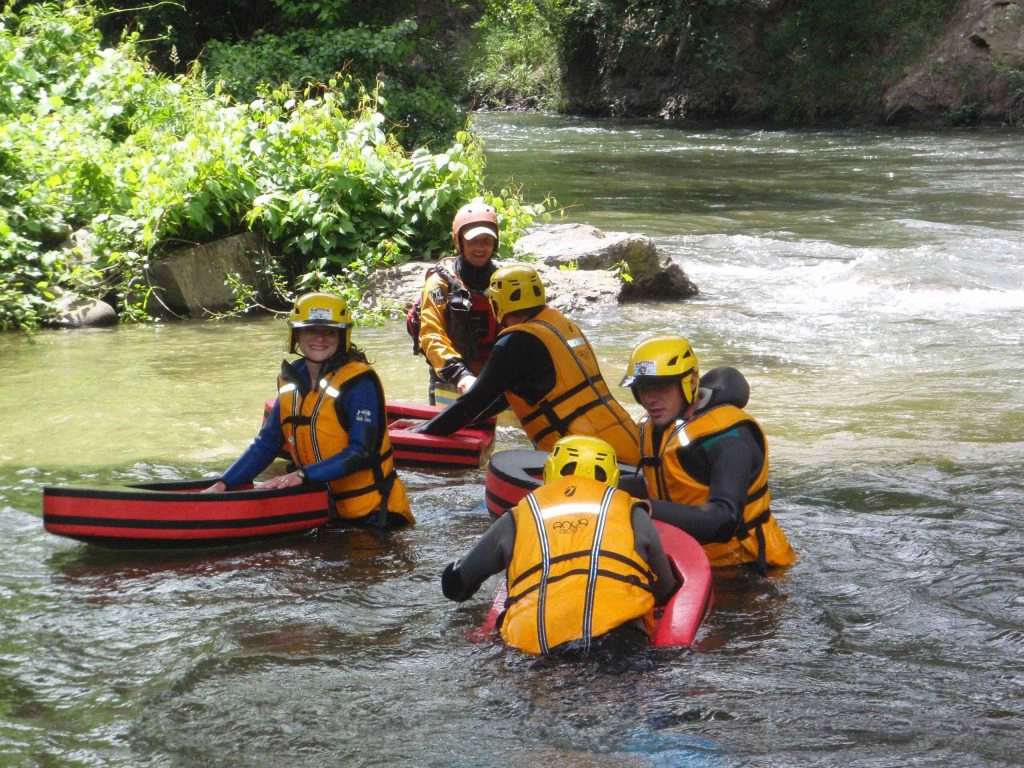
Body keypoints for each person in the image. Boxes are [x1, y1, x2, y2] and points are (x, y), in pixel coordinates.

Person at [441, 435, 678, 655]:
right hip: (619, 639)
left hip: (535, 645)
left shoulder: (520, 515)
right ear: (613, 477)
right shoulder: (632, 512)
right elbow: (665, 588)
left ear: (549, 472)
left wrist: (453, 577)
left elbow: (459, 584)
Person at [204, 292, 414, 529]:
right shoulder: (292, 379)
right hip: (322, 512)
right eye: (310, 330)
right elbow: (267, 442)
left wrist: (303, 475)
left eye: (329, 331)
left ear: (343, 335)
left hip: (375, 515)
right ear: (297, 334)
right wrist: (224, 483)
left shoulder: (359, 382)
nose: (319, 338)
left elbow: (362, 452)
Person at [413, 264, 642, 465]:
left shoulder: (515, 341)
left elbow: (474, 402)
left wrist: (424, 432)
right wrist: (456, 423)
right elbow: (499, 399)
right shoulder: (562, 325)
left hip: (588, 456)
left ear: (496, 302)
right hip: (626, 440)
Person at [620, 334, 795, 573]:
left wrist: (646, 509)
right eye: (642, 389)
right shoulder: (660, 426)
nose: (650, 399)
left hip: (746, 570)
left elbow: (724, 520)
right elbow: (665, 483)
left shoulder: (729, 438)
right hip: (685, 557)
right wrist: (603, 489)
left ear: (691, 382)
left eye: (661, 386)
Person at [416, 202, 502, 405]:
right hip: (451, 376)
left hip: (495, 374)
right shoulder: (439, 284)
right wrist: (460, 375)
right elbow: (431, 335)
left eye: (487, 241)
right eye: (473, 241)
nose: (480, 248)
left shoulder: (504, 280)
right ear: (459, 241)